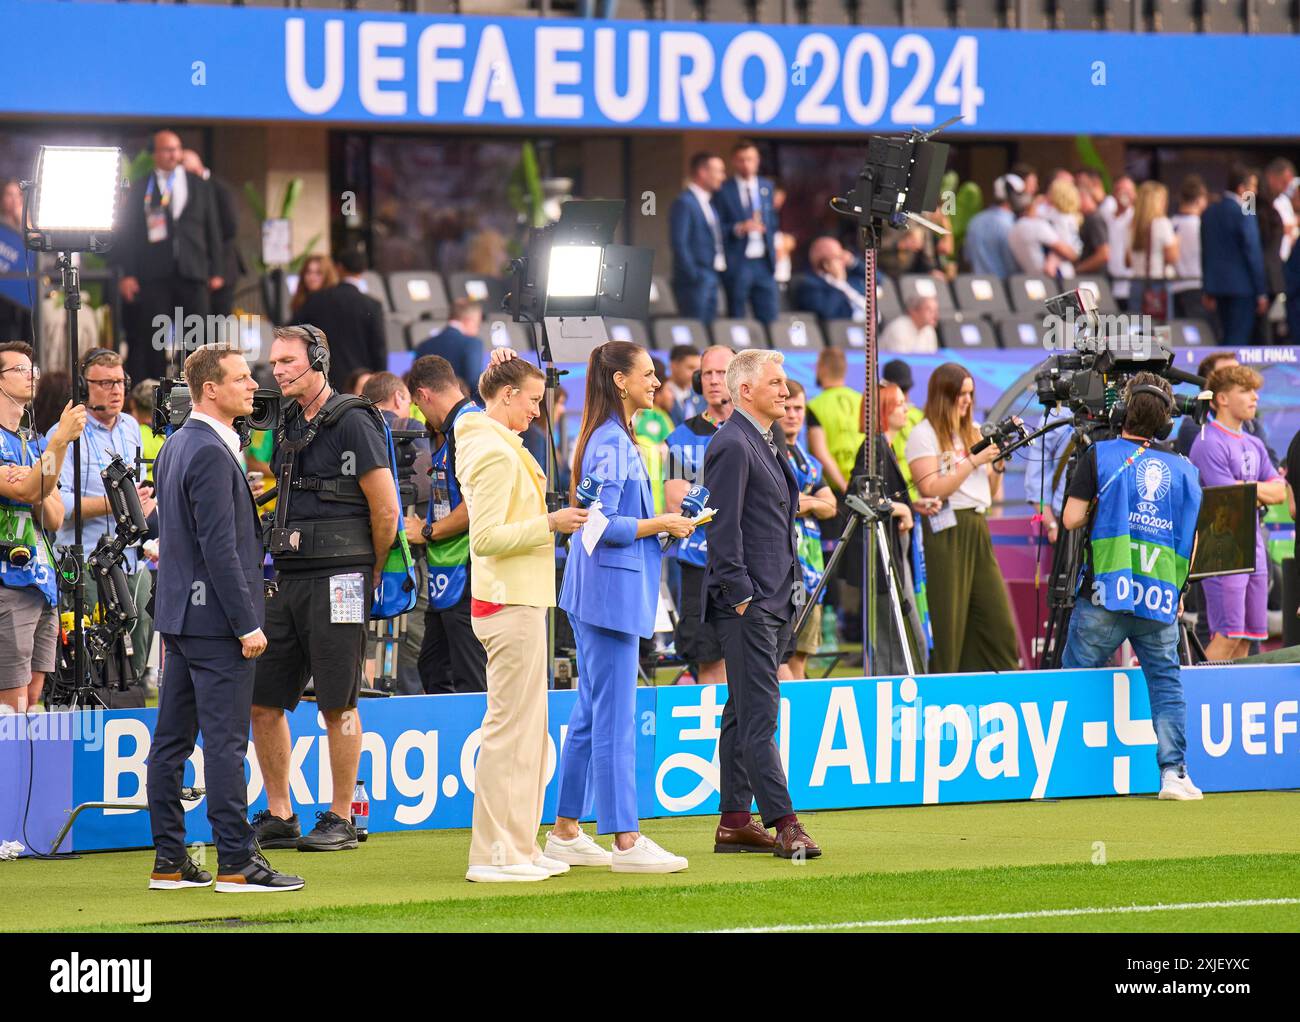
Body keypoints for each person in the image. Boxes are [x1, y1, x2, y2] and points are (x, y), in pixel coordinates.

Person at [147, 345, 303, 892]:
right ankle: (236, 861)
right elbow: (219, 547)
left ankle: (169, 861)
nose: (252, 386)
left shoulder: (176, 444)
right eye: (240, 378)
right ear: (209, 388)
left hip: (180, 616)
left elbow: (181, 535)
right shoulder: (210, 450)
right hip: (215, 621)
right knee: (224, 744)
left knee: (170, 743)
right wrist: (246, 623)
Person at [546, 342, 694, 873]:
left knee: (591, 712)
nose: (657, 383)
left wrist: (666, 525)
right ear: (619, 381)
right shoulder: (610, 441)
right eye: (648, 374)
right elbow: (598, 524)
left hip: (603, 592)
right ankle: (626, 841)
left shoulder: (610, 437)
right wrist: (664, 523)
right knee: (613, 716)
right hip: (608, 595)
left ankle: (565, 830)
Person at [249, 326, 398, 853]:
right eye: (274, 361)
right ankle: (280, 812)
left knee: (338, 702)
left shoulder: (355, 420)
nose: (277, 370)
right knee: (263, 701)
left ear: (318, 360)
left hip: (343, 576)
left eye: (288, 361)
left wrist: (370, 570)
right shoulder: (287, 420)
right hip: (287, 575)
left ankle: (340, 816)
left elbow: (386, 509)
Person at [455, 356, 587, 882]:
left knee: (529, 732)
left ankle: (520, 844)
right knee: (510, 731)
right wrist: (549, 524)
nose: (539, 410)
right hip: (507, 601)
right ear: (507, 395)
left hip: (522, 600)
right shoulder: (490, 448)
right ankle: (494, 853)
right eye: (533, 400)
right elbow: (484, 539)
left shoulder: (490, 437)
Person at [1059, 373, 1204, 800]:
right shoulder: (1185, 470)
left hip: (1105, 594)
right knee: (1165, 684)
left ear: (1123, 411)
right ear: (1165, 423)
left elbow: (1069, 519)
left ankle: (1061, 767)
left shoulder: (1099, 456)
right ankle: (1174, 775)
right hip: (1159, 599)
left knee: (1074, 679)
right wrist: (1178, 593)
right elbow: (1190, 542)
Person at [704, 349, 820, 858]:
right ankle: (785, 823)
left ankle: (733, 821)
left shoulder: (761, 442)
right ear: (745, 390)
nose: (786, 390)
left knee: (742, 711)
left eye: (786, 381)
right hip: (750, 603)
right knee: (759, 718)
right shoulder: (732, 443)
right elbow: (721, 529)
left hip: (770, 599)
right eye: (775, 382)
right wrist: (743, 596)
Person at [905, 362, 1020, 673]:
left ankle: (1000, 681)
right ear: (945, 395)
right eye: (961, 394)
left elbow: (992, 489)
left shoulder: (974, 431)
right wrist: (971, 460)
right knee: (949, 621)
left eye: (970, 393)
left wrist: (997, 463)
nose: (967, 400)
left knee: (997, 619)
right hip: (946, 529)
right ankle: (945, 686)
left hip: (977, 524)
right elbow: (931, 488)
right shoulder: (924, 434)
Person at [0, 343, 84, 713]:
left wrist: (35, 483)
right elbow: (35, 489)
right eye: (20, 370)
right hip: (8, 582)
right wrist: (60, 439)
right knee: (11, 704)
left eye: (32, 369)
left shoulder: (31, 443)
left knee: (34, 698)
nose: (31, 375)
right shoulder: (40, 443)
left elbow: (54, 514)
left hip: (42, 580)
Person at [402, 355, 488, 694]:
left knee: (468, 674)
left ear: (423, 395)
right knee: (433, 665)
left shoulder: (467, 428)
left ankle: (481, 743)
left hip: (466, 569)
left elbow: (476, 505)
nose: (424, 420)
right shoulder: (455, 429)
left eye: (420, 409)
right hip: (447, 571)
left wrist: (426, 531)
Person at [1189, 365, 1286, 661]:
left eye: (1255, 391)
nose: (1254, 398)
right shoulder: (1208, 441)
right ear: (1221, 399)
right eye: (1245, 391)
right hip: (1221, 546)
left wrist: (1246, 487)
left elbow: (1280, 492)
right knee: (1228, 634)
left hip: (1253, 544)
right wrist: (1256, 490)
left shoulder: (1254, 443)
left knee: (1248, 635)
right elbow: (1229, 499)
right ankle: (1200, 698)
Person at [117, 130, 225, 382]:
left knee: (198, 335)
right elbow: (130, 233)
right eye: (167, 149)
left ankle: (198, 386)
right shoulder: (142, 186)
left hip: (193, 270)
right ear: (155, 154)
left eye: (176, 149)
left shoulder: (198, 183)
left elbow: (213, 227)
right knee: (155, 335)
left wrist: (216, 269)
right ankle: (157, 390)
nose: (173, 154)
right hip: (154, 273)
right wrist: (128, 273)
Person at [664, 344, 733, 685]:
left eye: (722, 373)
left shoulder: (762, 430)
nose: (714, 380)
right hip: (699, 565)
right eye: (707, 374)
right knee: (708, 659)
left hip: (752, 563)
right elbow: (676, 499)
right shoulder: (682, 435)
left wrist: (703, 492)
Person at [776, 381, 837, 681]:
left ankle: (797, 720)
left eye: (798, 408)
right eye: (787, 407)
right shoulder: (770, 451)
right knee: (781, 656)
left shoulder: (809, 461)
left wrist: (805, 502)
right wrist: (812, 502)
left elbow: (832, 506)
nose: (792, 414)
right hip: (784, 569)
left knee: (801, 657)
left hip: (814, 570)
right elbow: (781, 504)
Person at [291, 249, 387, 393]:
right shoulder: (372, 304)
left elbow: (291, 333)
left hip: (324, 380)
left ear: (339, 268)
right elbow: (378, 349)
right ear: (363, 270)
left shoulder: (317, 300)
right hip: (359, 384)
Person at [1201, 163, 1268, 343]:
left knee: (1223, 337)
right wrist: (1261, 291)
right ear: (1241, 188)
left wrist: (1207, 287)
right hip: (1243, 289)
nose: (1256, 192)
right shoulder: (1246, 210)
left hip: (1217, 287)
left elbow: (1206, 251)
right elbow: (1253, 252)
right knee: (1237, 339)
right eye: (1253, 187)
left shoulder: (1209, 211)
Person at [715, 140, 779, 324]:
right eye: (742, 160)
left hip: (763, 260)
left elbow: (773, 220)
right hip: (738, 260)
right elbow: (717, 227)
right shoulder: (724, 189)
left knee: (769, 313)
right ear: (734, 162)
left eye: (750, 159)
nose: (746, 164)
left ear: (757, 160)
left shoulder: (766, 186)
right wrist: (740, 228)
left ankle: (770, 353)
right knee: (737, 313)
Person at [180, 149, 241, 318]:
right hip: (196, 269)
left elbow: (230, 228)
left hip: (221, 267)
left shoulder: (218, 188)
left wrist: (216, 269)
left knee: (217, 325)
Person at [669, 152, 727, 324]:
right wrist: (693, 274)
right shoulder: (685, 202)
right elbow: (679, 242)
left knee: (709, 327)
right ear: (702, 172)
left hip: (711, 273)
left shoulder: (709, 203)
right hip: (695, 278)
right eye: (719, 171)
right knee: (696, 328)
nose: (723, 177)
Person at [806, 347, 862, 495]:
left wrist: (844, 486)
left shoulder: (815, 405)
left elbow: (821, 453)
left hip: (835, 489)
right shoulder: (861, 400)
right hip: (863, 484)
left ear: (822, 369)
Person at [413, 298, 485, 402]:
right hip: (464, 408)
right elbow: (473, 382)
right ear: (468, 321)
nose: (477, 329)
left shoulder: (424, 345)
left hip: (429, 407)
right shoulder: (472, 343)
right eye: (478, 324)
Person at [1127, 181, 1179, 319]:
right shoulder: (1162, 223)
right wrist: (1177, 241)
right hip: (1157, 284)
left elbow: (1127, 261)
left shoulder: (1132, 225)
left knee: (1138, 332)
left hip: (1136, 283)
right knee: (1160, 332)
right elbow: (1172, 257)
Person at [963, 173, 1025, 279]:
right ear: (1013, 196)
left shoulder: (976, 220)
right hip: (1005, 288)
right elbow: (1013, 263)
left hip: (978, 287)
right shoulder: (1011, 225)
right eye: (1021, 195)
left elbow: (967, 257)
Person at [793, 236, 868, 322]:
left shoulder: (851, 281)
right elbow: (827, 312)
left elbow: (879, 280)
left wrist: (853, 262)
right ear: (826, 264)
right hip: (849, 329)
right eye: (838, 257)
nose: (844, 261)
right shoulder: (810, 285)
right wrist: (838, 282)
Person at [1170, 175, 1208, 320]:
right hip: (1196, 285)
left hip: (1174, 288)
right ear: (1199, 199)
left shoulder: (1171, 223)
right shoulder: (1200, 225)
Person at [1101, 174, 1137, 305]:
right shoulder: (1106, 216)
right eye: (1120, 191)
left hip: (1129, 282)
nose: (1123, 195)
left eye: (1127, 191)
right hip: (1109, 280)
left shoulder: (1135, 216)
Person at [1073, 174, 1111, 276]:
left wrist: (1078, 269)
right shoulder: (1088, 218)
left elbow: (1104, 254)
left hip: (1094, 281)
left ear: (1082, 197)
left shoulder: (1095, 219)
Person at [666, 344, 703, 425]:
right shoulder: (659, 395)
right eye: (691, 368)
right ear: (673, 366)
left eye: (698, 369)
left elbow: (711, 420)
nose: (696, 373)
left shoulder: (701, 395)